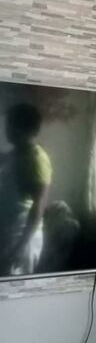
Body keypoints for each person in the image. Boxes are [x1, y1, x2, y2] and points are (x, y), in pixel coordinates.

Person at [0, 103, 52, 276]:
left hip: (21, 237)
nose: (5, 130)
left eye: (8, 125)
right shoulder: (18, 153)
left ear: (19, 128)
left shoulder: (36, 159)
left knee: (14, 288)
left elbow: (39, 206)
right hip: (8, 233)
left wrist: (20, 247)